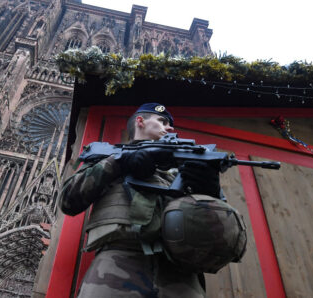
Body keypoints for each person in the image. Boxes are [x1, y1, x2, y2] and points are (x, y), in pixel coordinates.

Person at [59, 103, 221, 297]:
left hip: (181, 271)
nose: (169, 128)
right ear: (140, 121)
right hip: (117, 264)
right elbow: (68, 200)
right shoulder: (109, 156)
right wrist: (119, 163)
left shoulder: (184, 168)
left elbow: (219, 229)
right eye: (162, 121)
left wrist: (210, 191)